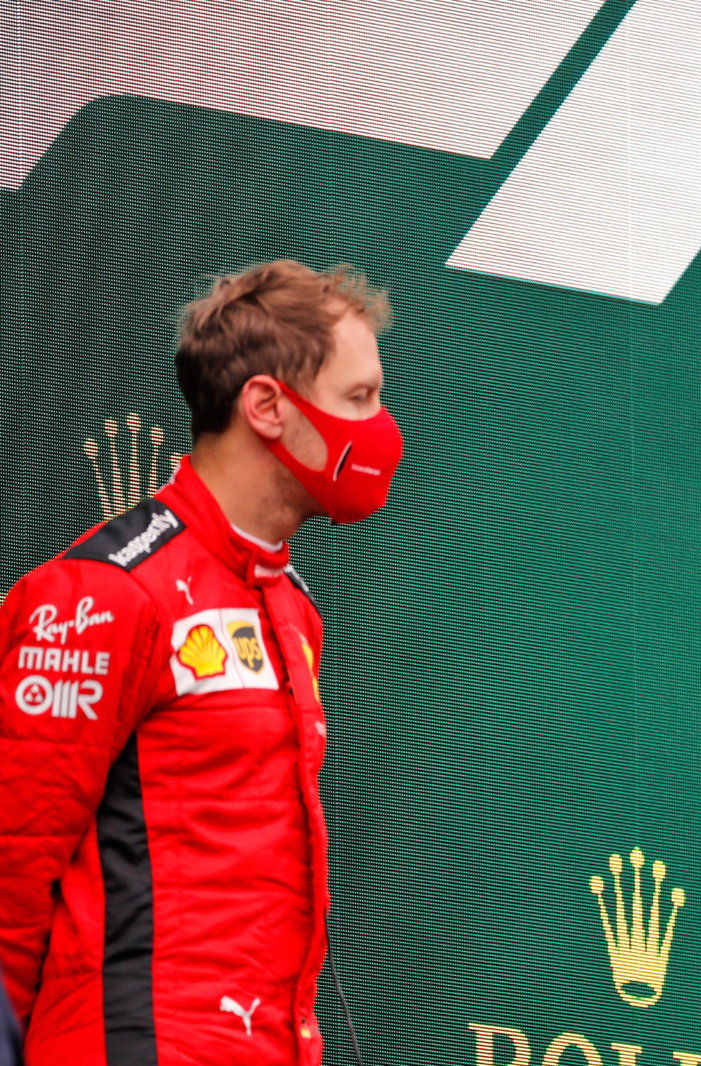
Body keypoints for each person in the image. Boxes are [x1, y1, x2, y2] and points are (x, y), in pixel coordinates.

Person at [0, 260, 403, 1064]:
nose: (383, 428)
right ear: (267, 406)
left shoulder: (290, 605)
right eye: (359, 398)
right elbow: (11, 863)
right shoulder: (105, 591)